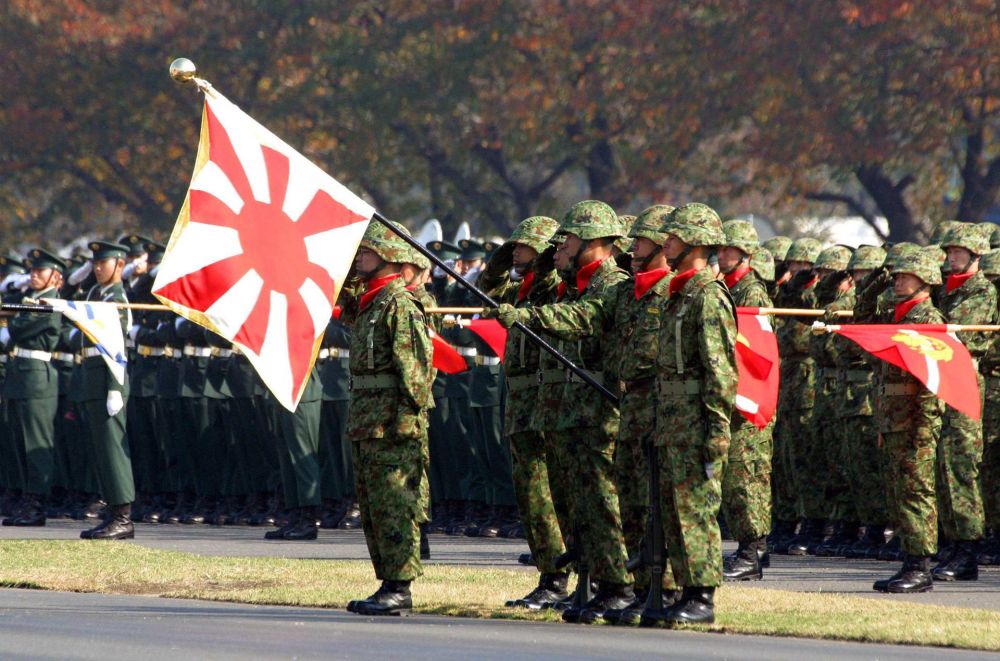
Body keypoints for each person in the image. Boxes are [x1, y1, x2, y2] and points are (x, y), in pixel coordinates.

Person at [642, 203, 737, 626]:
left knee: (695, 509)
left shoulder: (707, 297)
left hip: (694, 422)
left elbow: (720, 371)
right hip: (670, 421)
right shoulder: (678, 294)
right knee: (673, 510)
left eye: (674, 237)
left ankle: (702, 595)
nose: (667, 243)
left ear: (696, 244)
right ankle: (684, 587)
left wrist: (717, 430)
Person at [345, 221, 434, 616]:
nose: (361, 253)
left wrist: (408, 421)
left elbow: (416, 370)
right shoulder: (370, 301)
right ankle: (387, 581)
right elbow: (341, 290)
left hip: (392, 423)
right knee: (374, 504)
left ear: (392, 255)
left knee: (395, 503)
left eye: (370, 248)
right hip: (367, 419)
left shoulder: (398, 303)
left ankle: (400, 585)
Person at [479, 215, 568, 609]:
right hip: (520, 401)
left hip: (543, 402)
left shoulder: (552, 287)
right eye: (514, 244)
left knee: (547, 493)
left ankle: (558, 577)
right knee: (531, 494)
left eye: (524, 244)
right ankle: (549, 572)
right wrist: (502, 258)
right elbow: (488, 290)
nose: (516, 250)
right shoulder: (525, 288)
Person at [872, 248, 946, 593]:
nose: (898, 280)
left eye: (906, 275)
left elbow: (931, 384)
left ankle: (920, 567)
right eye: (898, 275)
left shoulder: (927, 321)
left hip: (915, 423)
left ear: (926, 280)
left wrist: (924, 429)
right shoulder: (900, 318)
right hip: (895, 420)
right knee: (901, 493)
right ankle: (910, 561)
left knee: (917, 493)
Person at [932, 222, 997, 581]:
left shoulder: (981, 292)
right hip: (943, 382)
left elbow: (958, 334)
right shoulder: (946, 290)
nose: (951, 257)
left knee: (961, 467)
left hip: (966, 382)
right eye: (949, 251)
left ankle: (968, 548)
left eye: (958, 251)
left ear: (975, 255)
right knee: (943, 467)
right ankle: (953, 542)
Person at [717, 221, 774, 581]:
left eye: (730, 250)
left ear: (745, 254)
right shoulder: (727, 288)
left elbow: (756, 350)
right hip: (731, 395)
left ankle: (752, 551)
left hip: (749, 396)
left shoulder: (752, 293)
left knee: (746, 477)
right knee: (733, 477)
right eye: (721, 249)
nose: (723, 255)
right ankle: (749, 548)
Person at [1, 249, 66, 526]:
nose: (34, 275)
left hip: (37, 377)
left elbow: (18, 330)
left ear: (56, 277)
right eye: (33, 271)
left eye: (41, 271)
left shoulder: (51, 303)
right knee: (19, 441)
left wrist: (12, 322)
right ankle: (26, 497)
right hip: (21, 376)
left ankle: (37, 502)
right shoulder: (32, 300)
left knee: (35, 441)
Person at [77, 241, 135, 541]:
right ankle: (113, 512)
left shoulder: (116, 297)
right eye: (95, 263)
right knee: (102, 450)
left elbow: (116, 347)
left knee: (113, 450)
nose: (98, 268)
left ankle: (123, 517)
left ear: (120, 265)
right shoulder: (94, 293)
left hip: (107, 378)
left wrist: (115, 388)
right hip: (92, 378)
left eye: (104, 263)